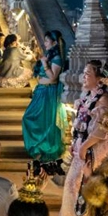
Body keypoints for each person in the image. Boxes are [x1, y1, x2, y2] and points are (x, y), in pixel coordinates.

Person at [55, 60, 108, 216]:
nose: (83, 77)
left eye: (88, 73)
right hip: (82, 148)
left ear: (99, 79)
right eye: (84, 72)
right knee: (73, 187)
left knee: (83, 189)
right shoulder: (86, 95)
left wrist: (85, 146)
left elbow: (102, 129)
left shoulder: (104, 100)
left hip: (93, 152)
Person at [22, 30, 68, 174]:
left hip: (48, 93)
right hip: (41, 91)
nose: (45, 43)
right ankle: (38, 148)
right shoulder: (49, 56)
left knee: (45, 121)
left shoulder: (57, 59)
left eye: (47, 41)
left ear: (54, 43)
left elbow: (53, 77)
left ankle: (45, 148)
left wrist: (44, 64)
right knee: (29, 118)